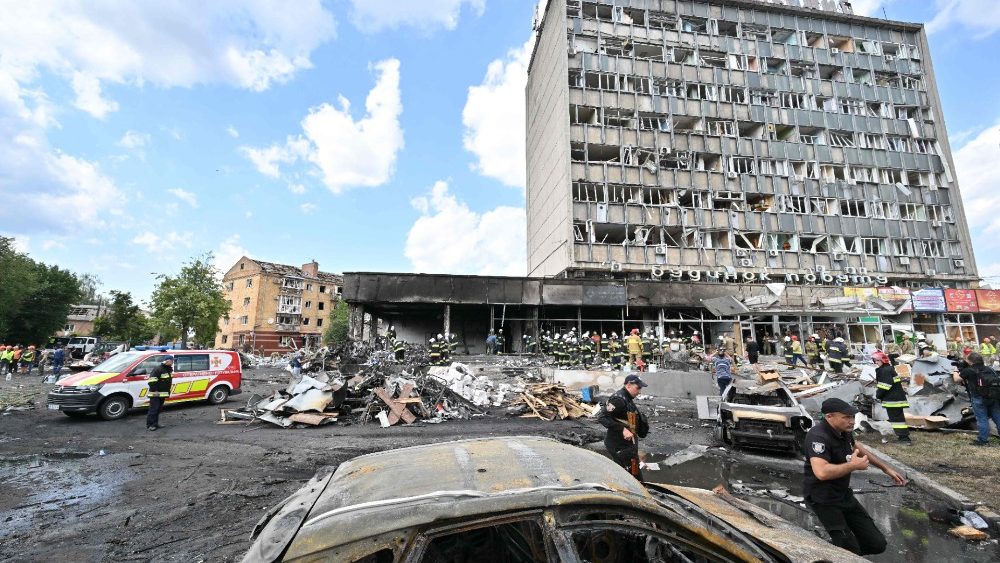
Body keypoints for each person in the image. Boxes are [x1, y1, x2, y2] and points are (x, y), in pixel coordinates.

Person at [803, 398, 906, 556]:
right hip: (823, 499)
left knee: (876, 544)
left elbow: (856, 447)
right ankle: (840, 554)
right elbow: (821, 472)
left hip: (843, 495)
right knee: (850, 550)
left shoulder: (844, 432)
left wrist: (886, 468)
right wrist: (853, 466)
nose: (852, 421)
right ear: (829, 417)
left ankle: (840, 553)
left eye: (852, 417)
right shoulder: (818, 436)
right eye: (846, 417)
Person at [598, 374, 649, 479]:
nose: (639, 391)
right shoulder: (618, 399)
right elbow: (602, 417)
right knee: (630, 477)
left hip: (627, 446)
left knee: (633, 474)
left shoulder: (627, 398)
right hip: (619, 446)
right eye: (638, 388)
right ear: (629, 385)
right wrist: (622, 429)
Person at [953, 352, 1000, 446]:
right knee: (998, 417)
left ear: (970, 362)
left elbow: (956, 380)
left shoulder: (969, 370)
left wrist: (955, 370)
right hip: (993, 397)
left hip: (978, 398)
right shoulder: (990, 369)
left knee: (982, 419)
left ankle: (983, 440)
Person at [873, 351, 911, 445]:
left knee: (897, 420)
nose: (875, 363)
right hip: (895, 399)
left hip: (893, 400)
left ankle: (904, 439)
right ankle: (903, 437)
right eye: (874, 361)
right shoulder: (889, 369)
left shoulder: (884, 371)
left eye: (877, 360)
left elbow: (884, 386)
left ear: (882, 361)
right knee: (897, 419)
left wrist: (877, 395)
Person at [146, 356, 174, 431]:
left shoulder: (168, 369)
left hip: (162, 393)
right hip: (155, 393)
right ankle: (150, 425)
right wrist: (155, 390)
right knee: (153, 409)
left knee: (158, 409)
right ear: (167, 361)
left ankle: (155, 424)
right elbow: (152, 381)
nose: (173, 362)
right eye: (172, 360)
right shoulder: (158, 369)